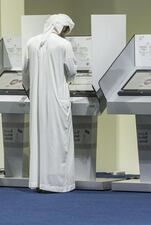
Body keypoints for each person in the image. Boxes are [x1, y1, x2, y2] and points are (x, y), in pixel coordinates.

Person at [22, 14, 77, 193]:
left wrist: (32, 91)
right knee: (59, 140)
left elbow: (25, 74)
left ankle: (39, 181)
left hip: (37, 99)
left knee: (40, 138)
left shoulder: (31, 42)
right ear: (60, 27)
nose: (65, 33)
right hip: (58, 96)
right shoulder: (64, 45)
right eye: (65, 29)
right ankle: (58, 183)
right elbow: (71, 70)